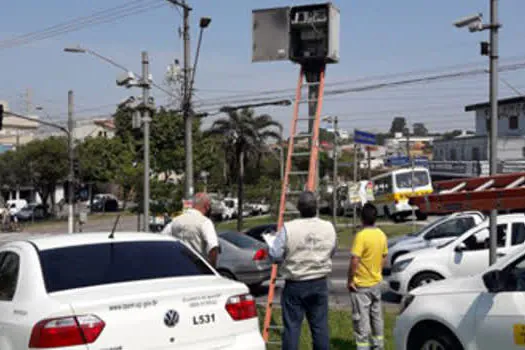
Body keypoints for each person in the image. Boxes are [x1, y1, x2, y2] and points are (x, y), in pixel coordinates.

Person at [268, 191, 337, 350]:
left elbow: (275, 255)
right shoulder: (328, 227)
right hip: (319, 282)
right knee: (320, 328)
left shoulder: (289, 228)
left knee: (292, 329)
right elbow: (332, 250)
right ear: (317, 208)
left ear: (299, 208)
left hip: (295, 283)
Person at [347, 203, 388, 350]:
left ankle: (363, 347)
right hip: (376, 283)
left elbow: (354, 260)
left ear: (362, 218)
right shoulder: (381, 234)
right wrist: (378, 271)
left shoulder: (361, 236)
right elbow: (384, 256)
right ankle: (378, 345)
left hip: (362, 285)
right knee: (377, 317)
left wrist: (350, 280)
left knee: (361, 320)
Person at [161, 192, 219, 267]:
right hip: (198, 269)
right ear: (207, 206)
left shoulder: (175, 221)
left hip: (178, 267)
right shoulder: (205, 222)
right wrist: (212, 268)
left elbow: (162, 238)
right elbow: (213, 247)